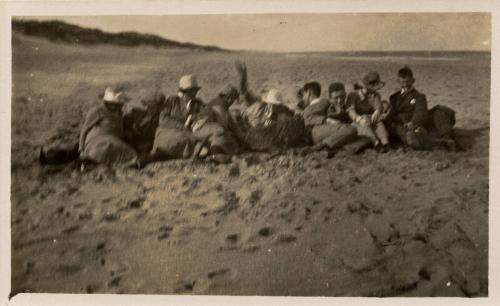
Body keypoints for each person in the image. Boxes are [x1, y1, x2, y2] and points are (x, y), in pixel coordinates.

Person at [232, 61, 309, 152]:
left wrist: (243, 77)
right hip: (262, 134)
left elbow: (244, 92)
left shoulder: (260, 105)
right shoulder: (282, 110)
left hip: (254, 133)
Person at [78, 87, 139, 168]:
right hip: (98, 140)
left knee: (129, 153)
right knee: (106, 147)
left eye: (120, 104)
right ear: (109, 103)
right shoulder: (97, 110)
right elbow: (84, 130)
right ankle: (90, 161)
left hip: (115, 140)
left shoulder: (120, 114)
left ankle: (120, 165)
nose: (120, 106)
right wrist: (81, 150)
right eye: (117, 104)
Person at [150, 75, 204, 160]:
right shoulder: (173, 100)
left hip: (187, 133)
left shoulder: (198, 103)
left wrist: (196, 119)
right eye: (192, 90)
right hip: (167, 130)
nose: (195, 93)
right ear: (185, 91)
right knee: (179, 141)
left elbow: (204, 115)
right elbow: (163, 119)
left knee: (192, 140)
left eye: (195, 90)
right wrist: (183, 127)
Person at [302, 81, 357, 153]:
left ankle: (331, 150)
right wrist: (327, 120)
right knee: (350, 129)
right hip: (318, 132)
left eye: (342, 97)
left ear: (345, 95)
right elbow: (307, 119)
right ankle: (317, 147)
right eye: (336, 98)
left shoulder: (344, 107)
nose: (339, 100)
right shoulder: (323, 103)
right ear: (330, 98)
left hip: (333, 134)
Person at [188, 85, 241, 160]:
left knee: (222, 136)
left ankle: (212, 154)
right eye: (232, 99)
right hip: (201, 130)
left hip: (203, 130)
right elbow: (223, 127)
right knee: (222, 133)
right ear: (229, 97)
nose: (232, 102)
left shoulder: (218, 104)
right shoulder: (219, 106)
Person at [386, 66, 430, 150]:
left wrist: (412, 123)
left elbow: (420, 113)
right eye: (402, 82)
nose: (405, 85)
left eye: (407, 82)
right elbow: (391, 113)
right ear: (398, 81)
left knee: (410, 136)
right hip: (395, 125)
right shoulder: (394, 97)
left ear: (412, 81)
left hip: (408, 126)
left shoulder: (419, 96)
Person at [346, 71, 390, 153]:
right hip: (358, 121)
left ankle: (385, 142)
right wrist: (358, 118)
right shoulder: (353, 95)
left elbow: (378, 106)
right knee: (365, 123)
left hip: (370, 118)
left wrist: (377, 112)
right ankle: (375, 143)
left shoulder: (374, 95)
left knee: (378, 122)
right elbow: (350, 110)